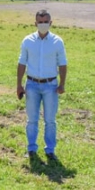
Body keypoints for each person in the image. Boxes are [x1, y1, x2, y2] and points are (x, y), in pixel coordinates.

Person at [16, 9, 67, 162]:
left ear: (51, 23)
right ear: (35, 23)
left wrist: (62, 84)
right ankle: (31, 148)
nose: (43, 24)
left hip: (50, 85)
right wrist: (19, 85)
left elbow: (63, 64)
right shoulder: (27, 41)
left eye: (46, 22)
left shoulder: (57, 42)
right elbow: (21, 62)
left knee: (50, 120)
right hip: (32, 84)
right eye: (40, 22)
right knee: (32, 119)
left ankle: (50, 150)